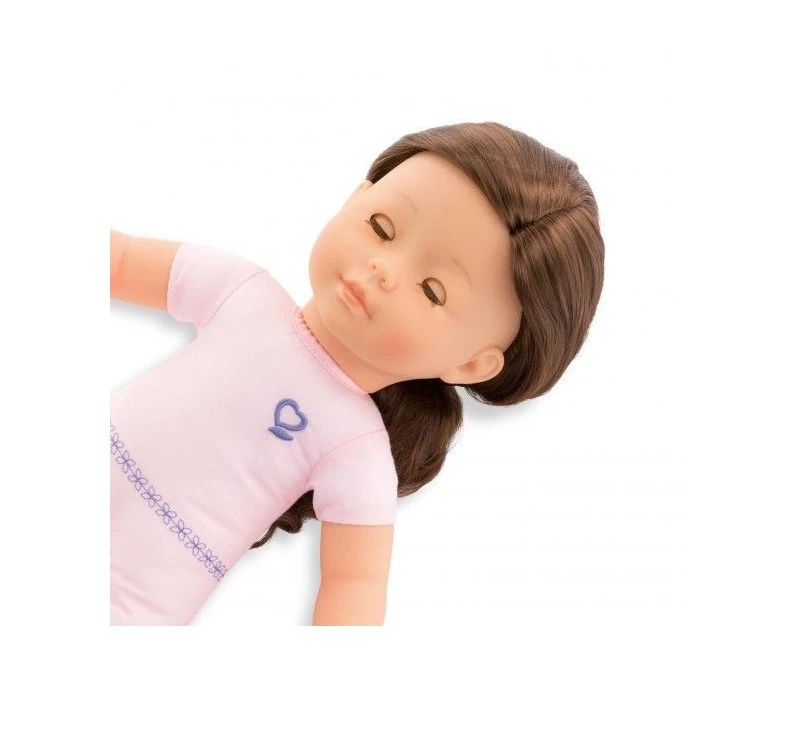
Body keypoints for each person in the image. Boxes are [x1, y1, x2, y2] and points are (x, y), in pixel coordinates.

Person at [109, 121, 605, 625]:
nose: (383, 269)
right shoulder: (238, 290)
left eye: (432, 290)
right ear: (356, 198)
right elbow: (119, 259)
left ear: (471, 364)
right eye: (382, 228)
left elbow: (354, 585)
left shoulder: (357, 452)